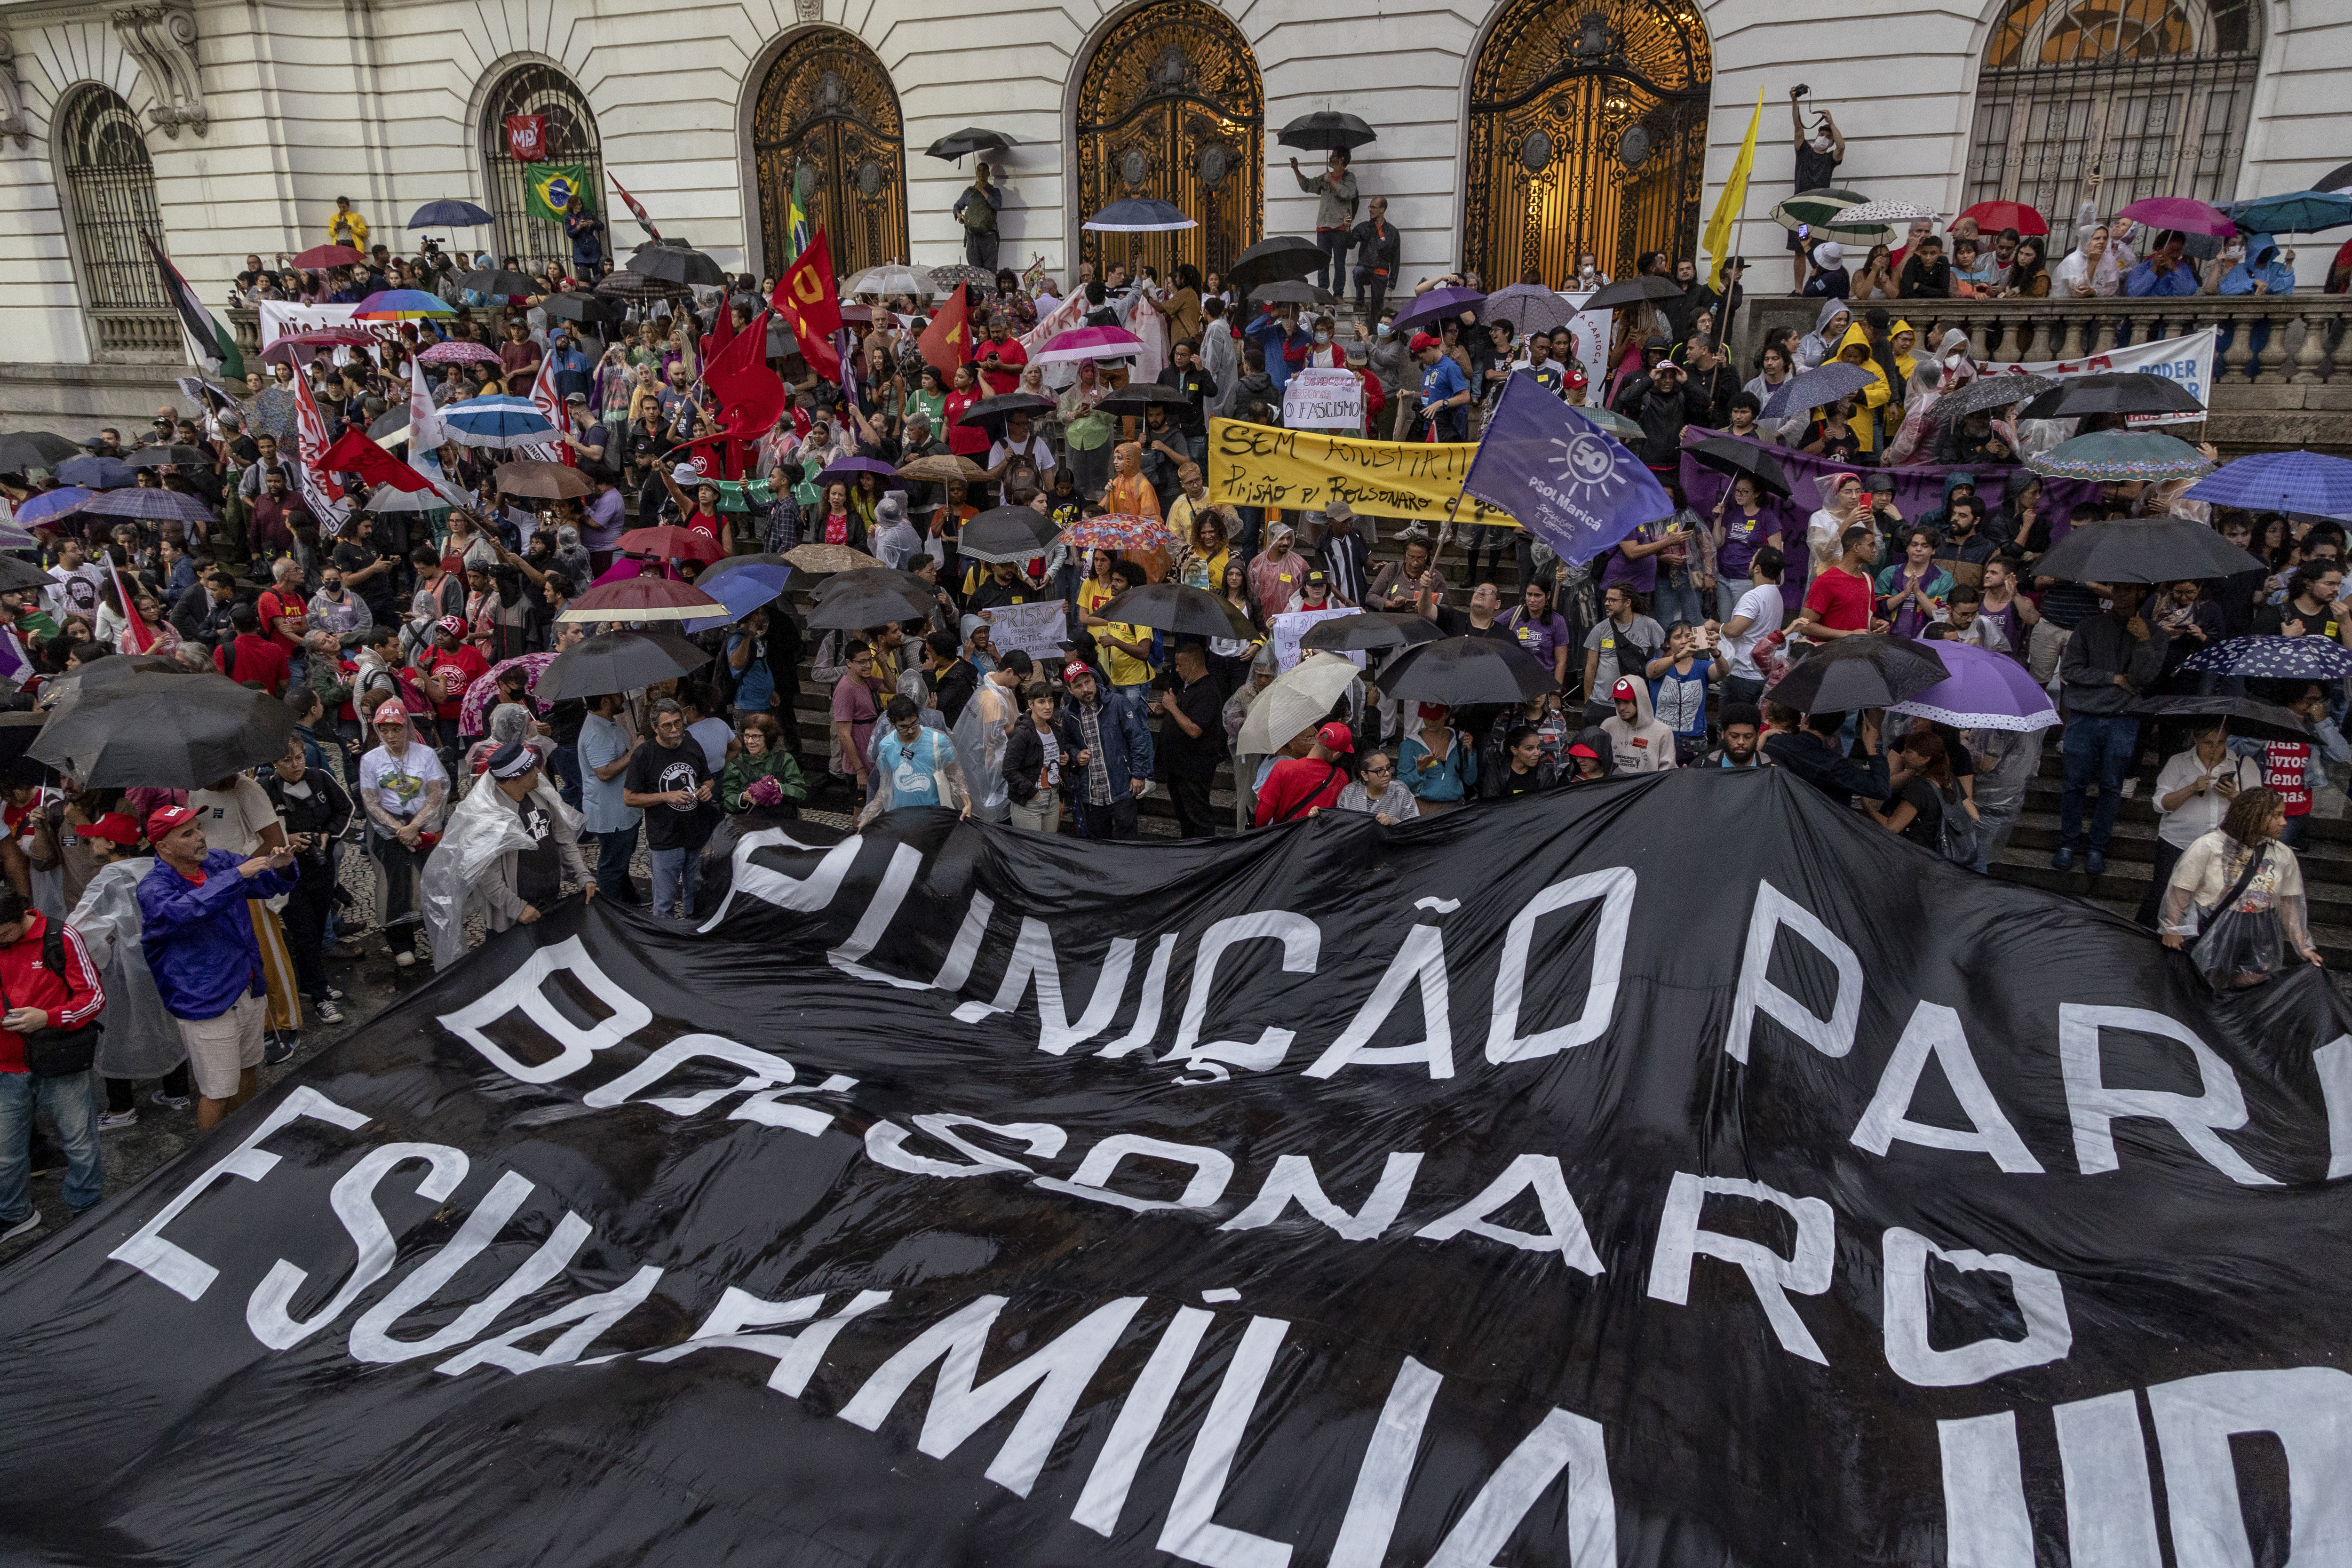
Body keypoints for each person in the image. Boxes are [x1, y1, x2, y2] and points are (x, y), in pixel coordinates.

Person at [137, 805, 296, 1132]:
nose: (201, 836)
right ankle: (210, 1163)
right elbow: (188, 911)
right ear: (162, 847)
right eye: (188, 833)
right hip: (205, 1001)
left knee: (248, 1069)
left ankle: (245, 1138)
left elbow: (267, 885)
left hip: (248, 986)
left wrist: (282, 867)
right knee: (218, 1092)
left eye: (199, 828)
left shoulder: (218, 862)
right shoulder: (154, 888)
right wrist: (238, 875)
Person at [422, 740, 592, 968]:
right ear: (514, 777)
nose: (538, 772)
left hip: (549, 899)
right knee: (513, 974)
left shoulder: (539, 795)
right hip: (513, 917)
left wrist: (583, 876)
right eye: (532, 769)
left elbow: (563, 839)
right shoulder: (487, 815)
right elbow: (484, 874)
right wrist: (517, 908)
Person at [0, 883, 105, 1243]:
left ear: (23, 917)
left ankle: (87, 1207)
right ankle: (14, 1214)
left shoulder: (61, 936)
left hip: (59, 1059)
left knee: (80, 1143)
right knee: (6, 1153)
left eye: (4, 935)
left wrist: (47, 1017)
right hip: (6, 1065)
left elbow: (93, 998)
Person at [2052, 582, 2166, 876]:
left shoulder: (2156, 633)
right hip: (2084, 714)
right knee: (2074, 783)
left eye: (2127, 590)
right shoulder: (2089, 626)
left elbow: (2144, 679)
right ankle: (2068, 843)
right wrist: (2113, 678)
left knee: (2111, 786)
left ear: (2141, 593)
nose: (2120, 595)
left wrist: (2143, 641)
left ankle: (2097, 848)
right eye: (2117, 589)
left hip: (2124, 716)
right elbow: (2070, 670)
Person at [2160, 787, 2323, 985]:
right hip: (2214, 924)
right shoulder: (2209, 846)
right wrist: (2173, 928)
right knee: (2210, 980)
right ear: (2255, 816)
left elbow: (2289, 902)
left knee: (2255, 980)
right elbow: (2181, 889)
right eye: (2277, 816)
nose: (2284, 822)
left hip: (2261, 926)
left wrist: (2304, 947)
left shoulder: (2282, 854)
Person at [256, 734, 351, 1027]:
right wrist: (287, 839)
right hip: (287, 874)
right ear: (275, 763)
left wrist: (326, 836)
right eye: (288, 760)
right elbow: (257, 834)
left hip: (320, 868)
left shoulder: (320, 779)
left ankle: (310, 982)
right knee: (305, 931)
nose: (296, 765)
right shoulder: (265, 791)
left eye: (299, 758)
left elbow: (345, 810)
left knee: (319, 922)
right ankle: (321, 995)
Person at [2145, 720, 2263, 927]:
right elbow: (2160, 804)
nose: (2216, 749)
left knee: (2211, 901)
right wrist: (2191, 789)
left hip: (2224, 848)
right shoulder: (2179, 762)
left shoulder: (2244, 765)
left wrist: (2235, 796)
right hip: (2178, 842)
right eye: (2209, 743)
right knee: (2164, 895)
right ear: (2195, 739)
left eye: (2222, 742)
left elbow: (2259, 811)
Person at [356, 700, 448, 966]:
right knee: (393, 884)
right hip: (389, 830)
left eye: (395, 729)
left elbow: (435, 793)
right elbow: (371, 801)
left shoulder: (425, 755)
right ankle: (400, 941)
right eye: (384, 731)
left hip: (423, 825)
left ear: (406, 727)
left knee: (430, 880)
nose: (390, 736)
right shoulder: (371, 760)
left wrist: (415, 826)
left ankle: (435, 933)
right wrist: (399, 829)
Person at [622, 698, 717, 924]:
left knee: (695, 896)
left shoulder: (692, 745)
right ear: (655, 728)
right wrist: (666, 796)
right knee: (664, 904)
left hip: (697, 836)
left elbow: (708, 780)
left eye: (678, 723)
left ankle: (692, 935)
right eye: (668, 726)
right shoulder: (644, 755)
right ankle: (665, 943)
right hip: (665, 840)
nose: (675, 730)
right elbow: (629, 798)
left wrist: (706, 789)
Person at [1060, 660, 1152, 839]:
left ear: (1094, 680)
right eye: (1078, 686)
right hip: (1092, 795)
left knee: (1129, 843)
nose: (1086, 689)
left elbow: (1138, 740)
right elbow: (1067, 744)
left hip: (1123, 788)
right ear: (1070, 690)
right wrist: (1075, 755)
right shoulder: (1068, 714)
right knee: (1100, 848)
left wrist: (1140, 775)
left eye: (1088, 682)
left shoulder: (1117, 703)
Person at [1151, 642, 1226, 840]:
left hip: (1194, 770)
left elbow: (1195, 730)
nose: (1176, 669)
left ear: (1193, 664)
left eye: (1179, 665)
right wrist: (1164, 708)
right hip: (1178, 767)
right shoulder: (1190, 688)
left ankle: (1203, 855)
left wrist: (1173, 707)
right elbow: (1184, 716)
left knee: (1198, 818)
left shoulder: (1208, 691)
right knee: (1184, 817)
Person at [858, 695, 970, 824]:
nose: (910, 730)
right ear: (891, 722)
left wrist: (967, 803)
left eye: (914, 723)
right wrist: (867, 816)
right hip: (901, 817)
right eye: (904, 727)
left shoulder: (938, 741)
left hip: (934, 817)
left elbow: (956, 778)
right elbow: (885, 789)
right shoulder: (887, 746)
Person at [577, 692, 642, 902]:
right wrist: (633, 753)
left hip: (621, 810)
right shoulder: (597, 733)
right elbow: (604, 773)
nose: (623, 698)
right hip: (611, 813)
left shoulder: (609, 724)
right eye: (618, 696)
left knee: (620, 860)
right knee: (612, 866)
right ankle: (613, 910)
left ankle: (629, 898)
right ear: (605, 701)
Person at [1788, 88, 1845, 293]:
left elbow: (1842, 146)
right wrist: (1795, 103)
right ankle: (1798, 290)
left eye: (1827, 136)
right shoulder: (1803, 151)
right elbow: (1798, 127)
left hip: (1820, 214)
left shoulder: (1830, 159)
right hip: (1801, 213)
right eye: (1821, 133)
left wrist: (1831, 123)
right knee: (1800, 249)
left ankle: (1815, 287)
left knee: (1819, 251)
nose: (1823, 137)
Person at [1581, 584, 1665, 723]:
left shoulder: (1649, 625)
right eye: (1607, 599)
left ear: (1627, 603)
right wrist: (1588, 701)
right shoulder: (1600, 629)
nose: (1607, 603)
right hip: (1601, 703)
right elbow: (1590, 667)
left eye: (1613, 600)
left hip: (1632, 703)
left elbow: (1665, 654)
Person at [1645, 622, 1726, 764]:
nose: (1684, 641)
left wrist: (1716, 653)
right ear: (1668, 644)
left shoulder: (1703, 667)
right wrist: (1678, 657)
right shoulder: (1657, 663)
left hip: (1693, 742)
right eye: (1677, 637)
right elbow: (1652, 672)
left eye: (1688, 636)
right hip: (1660, 738)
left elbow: (1723, 672)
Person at [1003, 681, 1072, 835]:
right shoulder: (1023, 732)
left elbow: (1052, 759)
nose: (1048, 707)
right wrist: (1033, 794)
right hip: (1030, 803)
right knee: (1030, 854)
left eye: (1051, 701)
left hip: (1053, 799)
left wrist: (1065, 759)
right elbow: (1009, 770)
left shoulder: (1055, 729)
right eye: (1041, 702)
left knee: (1049, 851)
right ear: (1031, 704)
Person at [1720, 546, 1786, 706]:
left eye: (1752, 561)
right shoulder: (1776, 594)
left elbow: (1735, 630)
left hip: (1743, 673)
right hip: (1761, 673)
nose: (1749, 563)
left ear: (1757, 569)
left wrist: (1715, 626)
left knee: (1730, 725)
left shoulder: (1753, 597)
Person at [1254, 720, 1353, 827]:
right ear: (1336, 754)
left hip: (1284, 838)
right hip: (1317, 839)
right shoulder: (1341, 778)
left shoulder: (1283, 768)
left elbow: (1262, 815)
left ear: (1318, 738)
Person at [1293, 150, 1358, 293]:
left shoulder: (1349, 177)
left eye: (1334, 155)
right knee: (1322, 263)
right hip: (1323, 227)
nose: (1330, 157)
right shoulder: (1324, 177)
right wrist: (1296, 169)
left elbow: (1349, 193)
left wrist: (1332, 181)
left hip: (1340, 227)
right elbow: (1307, 186)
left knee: (1340, 263)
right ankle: (1323, 292)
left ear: (1341, 159)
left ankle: (1338, 293)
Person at [720, 712, 805, 815]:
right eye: (747, 736)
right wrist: (743, 797)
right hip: (750, 825)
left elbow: (800, 793)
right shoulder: (737, 765)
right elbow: (725, 802)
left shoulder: (785, 760)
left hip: (783, 821)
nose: (750, 742)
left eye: (756, 736)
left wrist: (779, 788)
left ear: (768, 738)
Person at [1600, 675, 1677, 774]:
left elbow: (1667, 771)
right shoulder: (1608, 726)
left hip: (1647, 787)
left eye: (1627, 701)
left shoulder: (1662, 731)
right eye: (1618, 702)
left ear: (1640, 700)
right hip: (1613, 787)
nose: (1622, 708)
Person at [1327, 749, 1417, 823]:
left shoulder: (1401, 794)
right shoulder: (1350, 792)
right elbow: (1339, 823)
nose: (1387, 774)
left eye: (1389, 768)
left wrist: (1393, 822)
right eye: (1379, 771)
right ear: (1365, 775)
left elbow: (1413, 827)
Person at [952, 161, 1000, 271]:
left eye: (984, 171)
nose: (982, 174)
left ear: (989, 174)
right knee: (974, 271)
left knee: (990, 272)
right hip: (973, 238)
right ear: (976, 173)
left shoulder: (995, 191)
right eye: (979, 171)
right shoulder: (970, 192)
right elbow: (957, 206)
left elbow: (997, 205)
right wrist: (958, 215)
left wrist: (983, 191)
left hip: (989, 237)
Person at [1713, 703, 1764, 769]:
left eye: (1748, 737)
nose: (1741, 742)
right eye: (1734, 736)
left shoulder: (1772, 769)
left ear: (1758, 735)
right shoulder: (1703, 766)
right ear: (1723, 734)